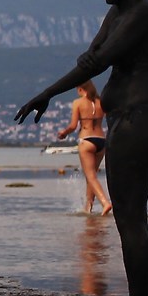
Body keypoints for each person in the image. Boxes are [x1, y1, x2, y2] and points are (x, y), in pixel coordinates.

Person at [16, 0, 148, 296]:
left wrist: (48, 92)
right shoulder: (117, 14)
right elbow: (91, 57)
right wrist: (59, 85)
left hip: (138, 119)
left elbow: (100, 60)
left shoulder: (142, 13)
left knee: (131, 220)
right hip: (127, 119)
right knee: (135, 218)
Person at [57, 79, 111, 215]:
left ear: (80, 89)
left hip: (86, 141)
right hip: (101, 141)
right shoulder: (101, 102)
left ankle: (105, 203)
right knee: (91, 177)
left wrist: (64, 133)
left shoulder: (78, 103)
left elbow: (73, 125)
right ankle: (88, 207)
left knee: (91, 176)